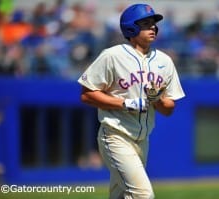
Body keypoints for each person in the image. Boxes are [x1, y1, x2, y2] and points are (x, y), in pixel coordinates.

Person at [77, 3, 185, 199]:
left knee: (121, 196)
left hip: (143, 140)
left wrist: (157, 98)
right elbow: (86, 94)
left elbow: (169, 109)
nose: (153, 27)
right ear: (131, 28)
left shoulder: (164, 61)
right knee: (143, 194)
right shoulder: (112, 56)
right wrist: (125, 103)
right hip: (115, 135)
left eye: (154, 23)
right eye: (146, 23)